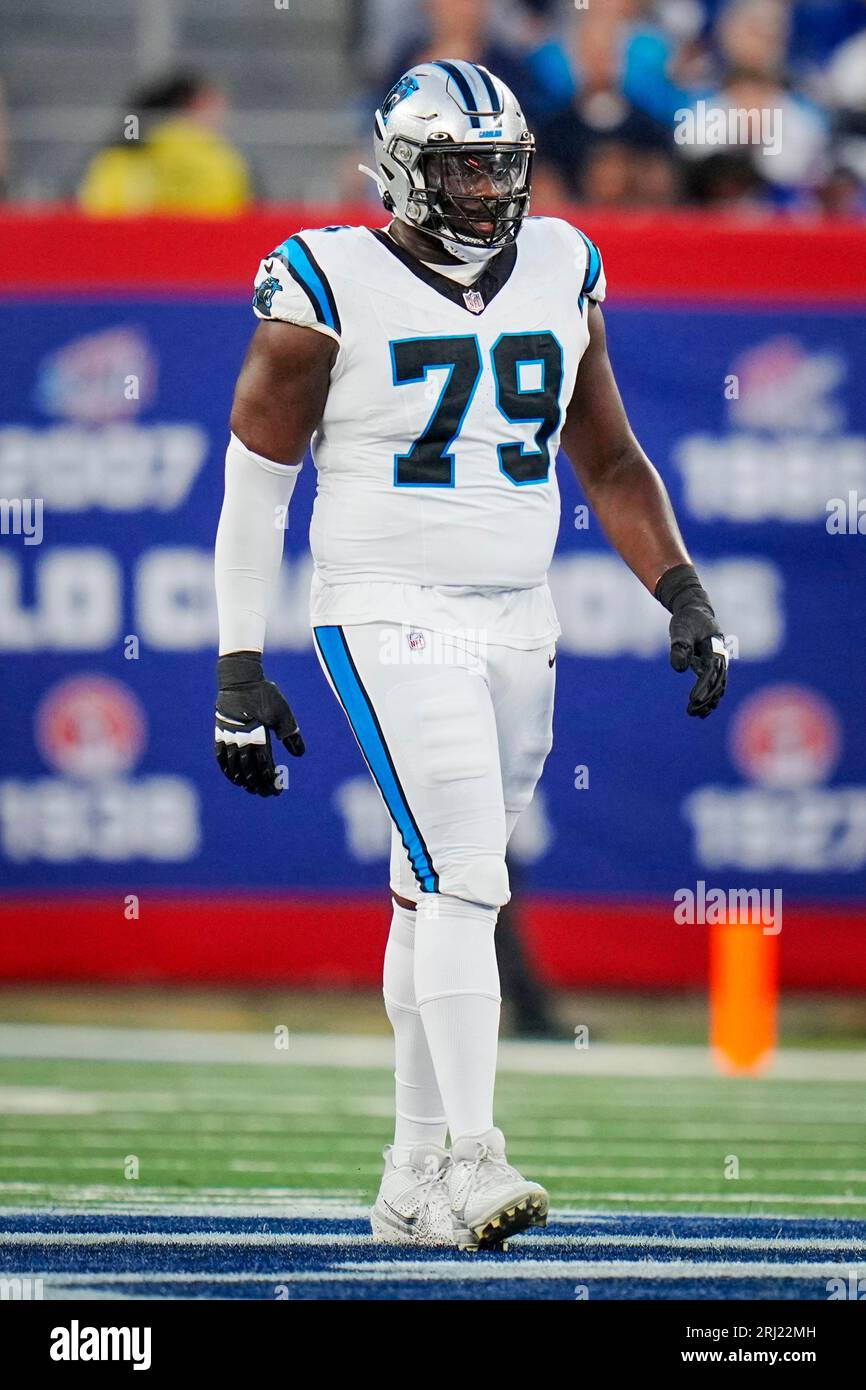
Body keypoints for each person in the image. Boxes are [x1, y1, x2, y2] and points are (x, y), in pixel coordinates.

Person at [213, 60, 728, 1251]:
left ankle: (405, 1168)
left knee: (425, 884)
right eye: (463, 165)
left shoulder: (562, 263)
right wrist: (239, 663)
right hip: (385, 603)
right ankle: (470, 1156)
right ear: (402, 170)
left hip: (518, 612)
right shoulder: (325, 282)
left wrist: (680, 585)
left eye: (503, 163)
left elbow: (605, 460)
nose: (491, 188)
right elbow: (254, 489)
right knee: (465, 877)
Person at [78, 70, 252, 216]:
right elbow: (242, 214)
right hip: (205, 250)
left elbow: (95, 210)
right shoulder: (221, 160)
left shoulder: (120, 156)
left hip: (129, 249)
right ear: (199, 105)